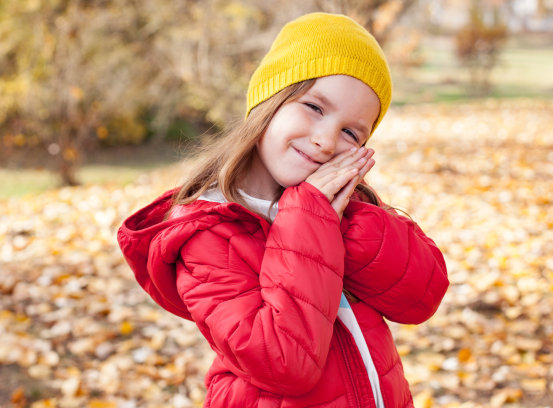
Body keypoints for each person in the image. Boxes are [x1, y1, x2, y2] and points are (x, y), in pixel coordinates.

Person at [118, 12, 448, 408]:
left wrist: (344, 221)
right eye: (313, 106)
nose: (326, 140)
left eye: (350, 132)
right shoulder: (206, 234)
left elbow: (421, 296)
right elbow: (284, 363)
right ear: (269, 102)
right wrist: (309, 218)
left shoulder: (345, 206)